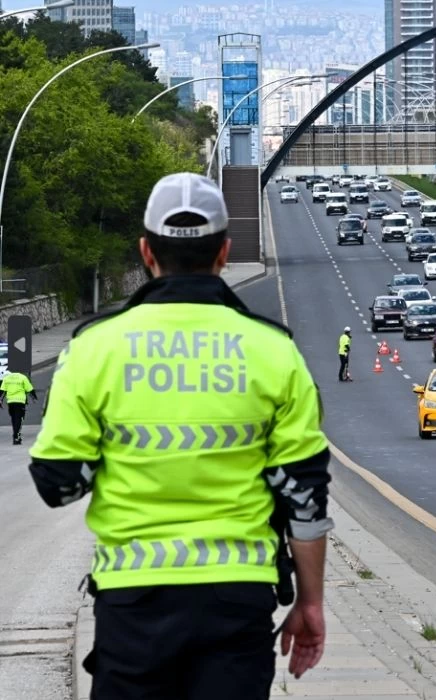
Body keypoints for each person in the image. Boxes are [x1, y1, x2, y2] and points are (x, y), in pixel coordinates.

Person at [27, 173, 332, 700]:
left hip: (132, 605)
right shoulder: (274, 351)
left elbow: (58, 484)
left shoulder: (94, 349)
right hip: (239, 600)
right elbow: (305, 497)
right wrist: (310, 602)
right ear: (225, 253)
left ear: (146, 252)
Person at [0, 370, 37, 445]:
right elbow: (30, 389)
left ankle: (15, 435)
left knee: (14, 419)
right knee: (19, 420)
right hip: (20, 402)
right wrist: (34, 398)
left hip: (11, 403)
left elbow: (2, 392)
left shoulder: (6, 379)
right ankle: (17, 438)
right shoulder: (23, 377)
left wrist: (0, 400)